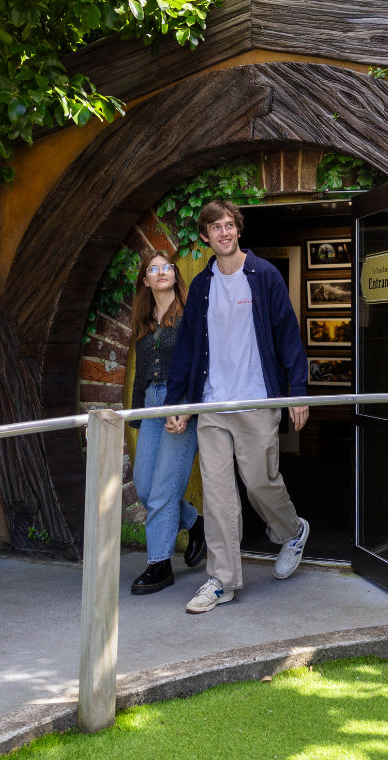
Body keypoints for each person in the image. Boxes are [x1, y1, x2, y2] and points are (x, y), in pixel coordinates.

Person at [165, 200, 310, 614]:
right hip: (212, 404)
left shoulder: (263, 276)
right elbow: (188, 348)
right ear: (206, 237)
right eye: (216, 228)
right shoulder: (203, 285)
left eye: (229, 225)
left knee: (259, 481)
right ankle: (222, 580)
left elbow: (287, 332)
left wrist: (296, 389)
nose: (224, 233)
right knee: (217, 495)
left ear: (238, 230)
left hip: (256, 399)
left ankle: (292, 530)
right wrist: (179, 402)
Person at [126, 250, 206, 595]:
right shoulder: (144, 320)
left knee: (161, 492)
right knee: (144, 487)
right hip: (151, 406)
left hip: (182, 406)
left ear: (175, 274)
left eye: (166, 267)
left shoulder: (191, 313)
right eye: (153, 269)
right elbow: (142, 373)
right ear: (145, 280)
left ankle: (159, 564)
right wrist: (139, 417)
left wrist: (188, 407)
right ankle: (195, 524)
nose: (161, 272)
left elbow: (203, 365)